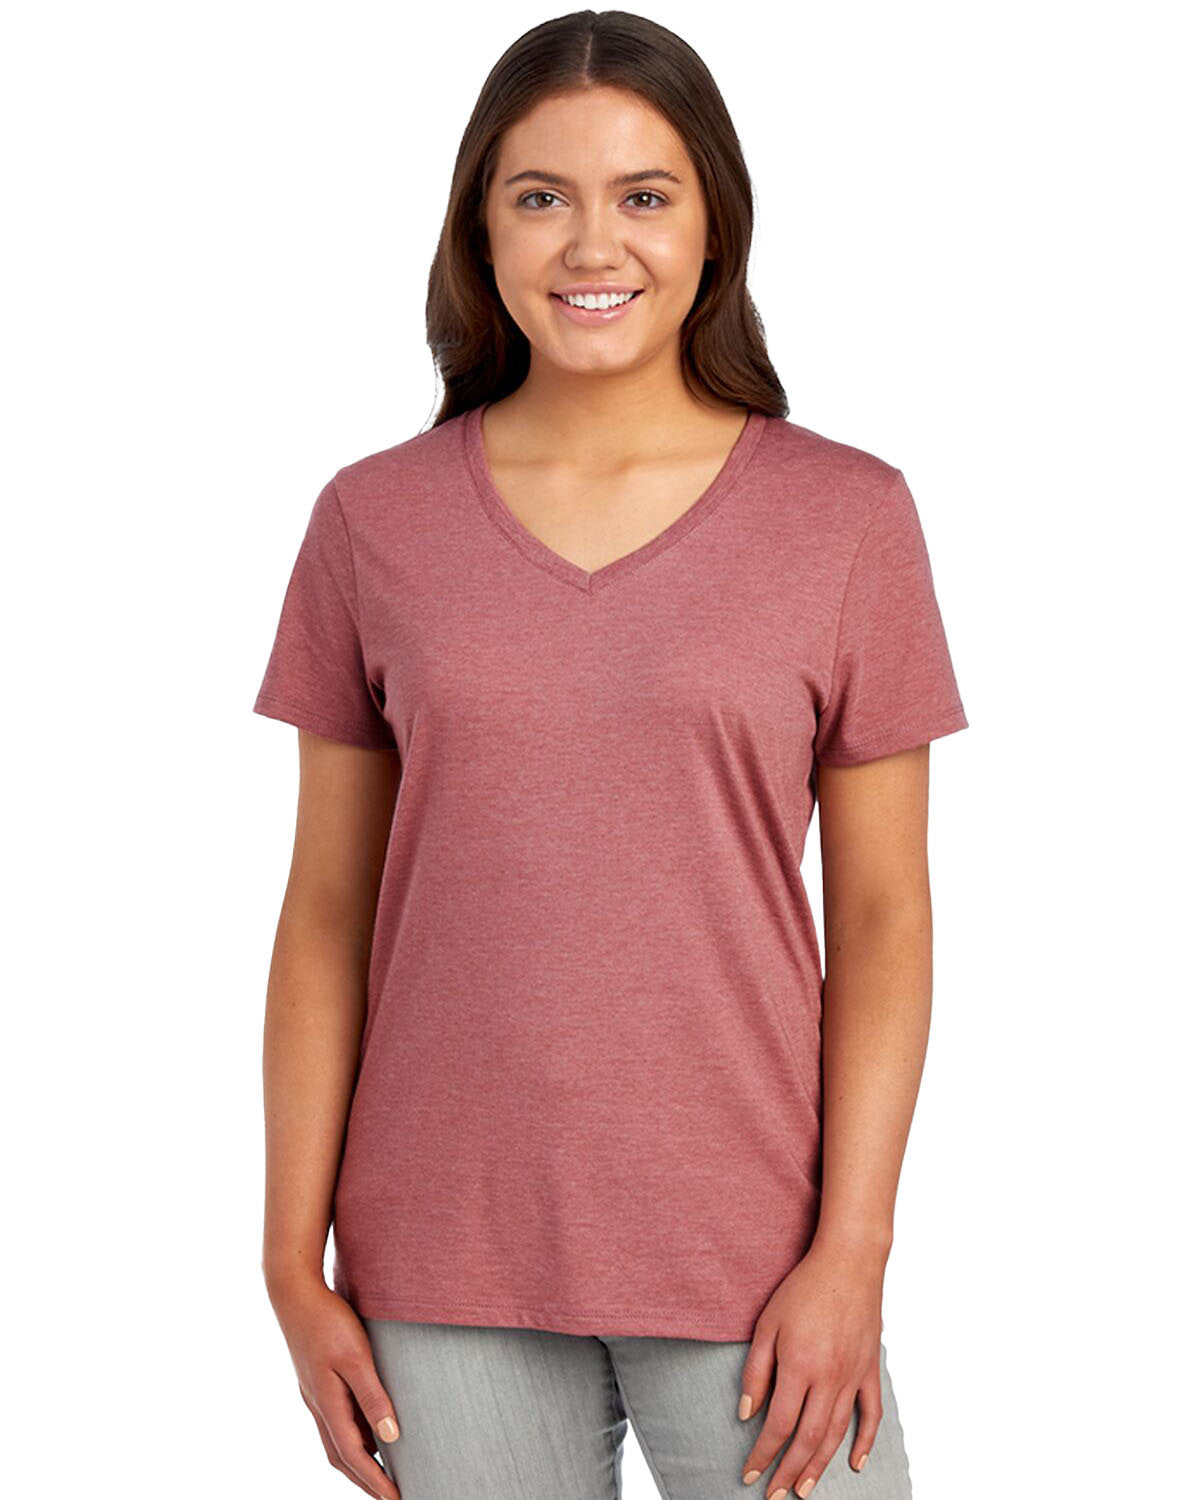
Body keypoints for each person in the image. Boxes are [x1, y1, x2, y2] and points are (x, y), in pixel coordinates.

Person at [252, 11, 968, 1500]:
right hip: (439, 1257)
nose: (594, 245)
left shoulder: (847, 519)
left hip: (760, 1260)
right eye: (542, 196)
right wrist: (287, 1262)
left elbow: (884, 915)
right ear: (481, 227)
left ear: (714, 223)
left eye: (645, 194)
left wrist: (854, 1249)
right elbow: (325, 910)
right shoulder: (373, 521)